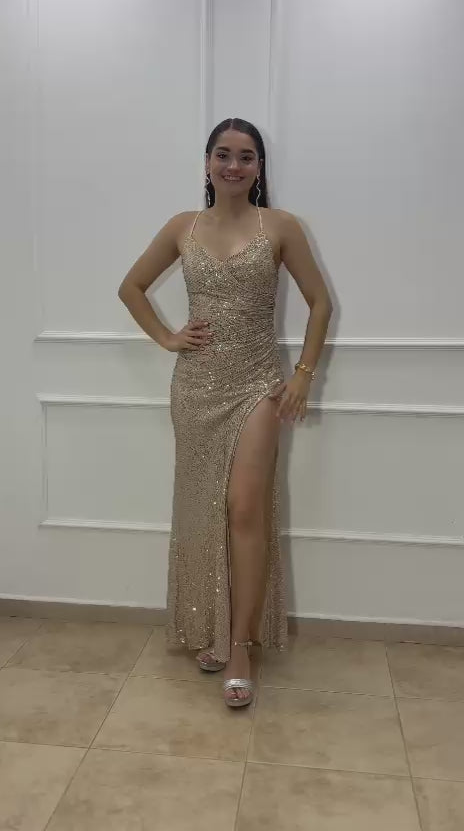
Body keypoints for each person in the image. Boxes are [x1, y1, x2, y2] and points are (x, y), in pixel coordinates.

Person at [118, 117, 333, 708]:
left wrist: (303, 375)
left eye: (246, 156)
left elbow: (320, 303)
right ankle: (211, 630)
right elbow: (131, 287)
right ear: (208, 162)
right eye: (223, 154)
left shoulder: (281, 226)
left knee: (244, 508)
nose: (233, 166)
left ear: (260, 167)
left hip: (258, 383)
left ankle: (240, 647)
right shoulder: (182, 226)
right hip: (195, 386)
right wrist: (168, 337)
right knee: (203, 509)